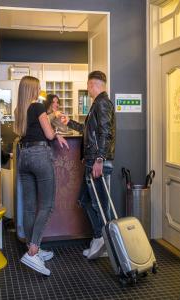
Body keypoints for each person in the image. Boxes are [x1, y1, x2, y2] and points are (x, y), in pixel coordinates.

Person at [14, 76, 69, 276]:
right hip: (39, 155)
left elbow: (22, 133)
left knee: (29, 207)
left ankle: (31, 246)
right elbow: (48, 134)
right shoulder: (37, 107)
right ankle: (33, 250)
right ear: (33, 89)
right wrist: (57, 132)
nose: (40, 90)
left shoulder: (19, 110)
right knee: (46, 205)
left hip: (24, 157)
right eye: (37, 87)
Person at [61, 70, 116, 260]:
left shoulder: (102, 103)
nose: (87, 88)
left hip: (97, 162)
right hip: (92, 161)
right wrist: (70, 123)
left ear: (93, 84)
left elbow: (106, 133)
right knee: (85, 201)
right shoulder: (98, 104)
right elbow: (89, 130)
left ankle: (105, 241)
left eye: (88, 85)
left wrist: (99, 159)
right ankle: (99, 237)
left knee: (100, 204)